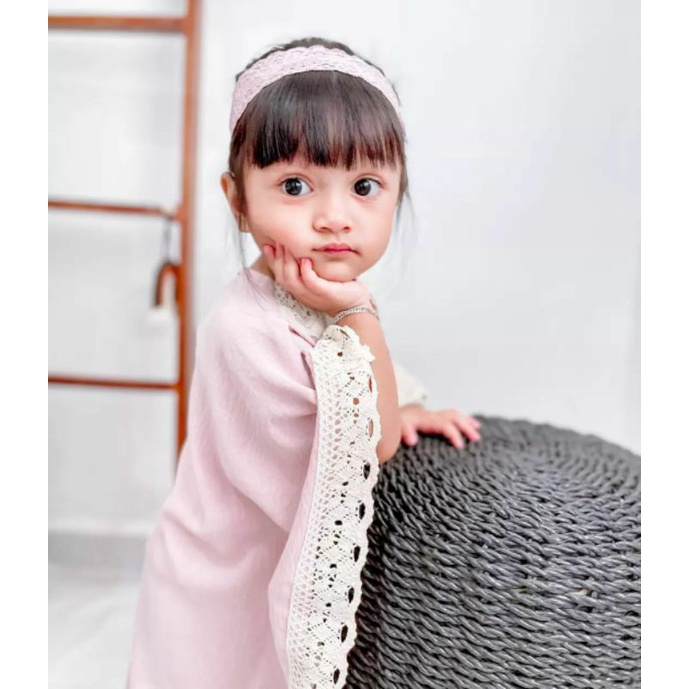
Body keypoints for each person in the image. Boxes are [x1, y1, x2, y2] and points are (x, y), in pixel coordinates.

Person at [126, 37, 482, 689]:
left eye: (365, 186)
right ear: (238, 200)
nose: (334, 218)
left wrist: (401, 403)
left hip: (255, 565)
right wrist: (361, 315)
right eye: (295, 185)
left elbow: (359, 398)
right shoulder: (245, 328)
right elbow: (364, 446)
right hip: (217, 581)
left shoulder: (321, 298)